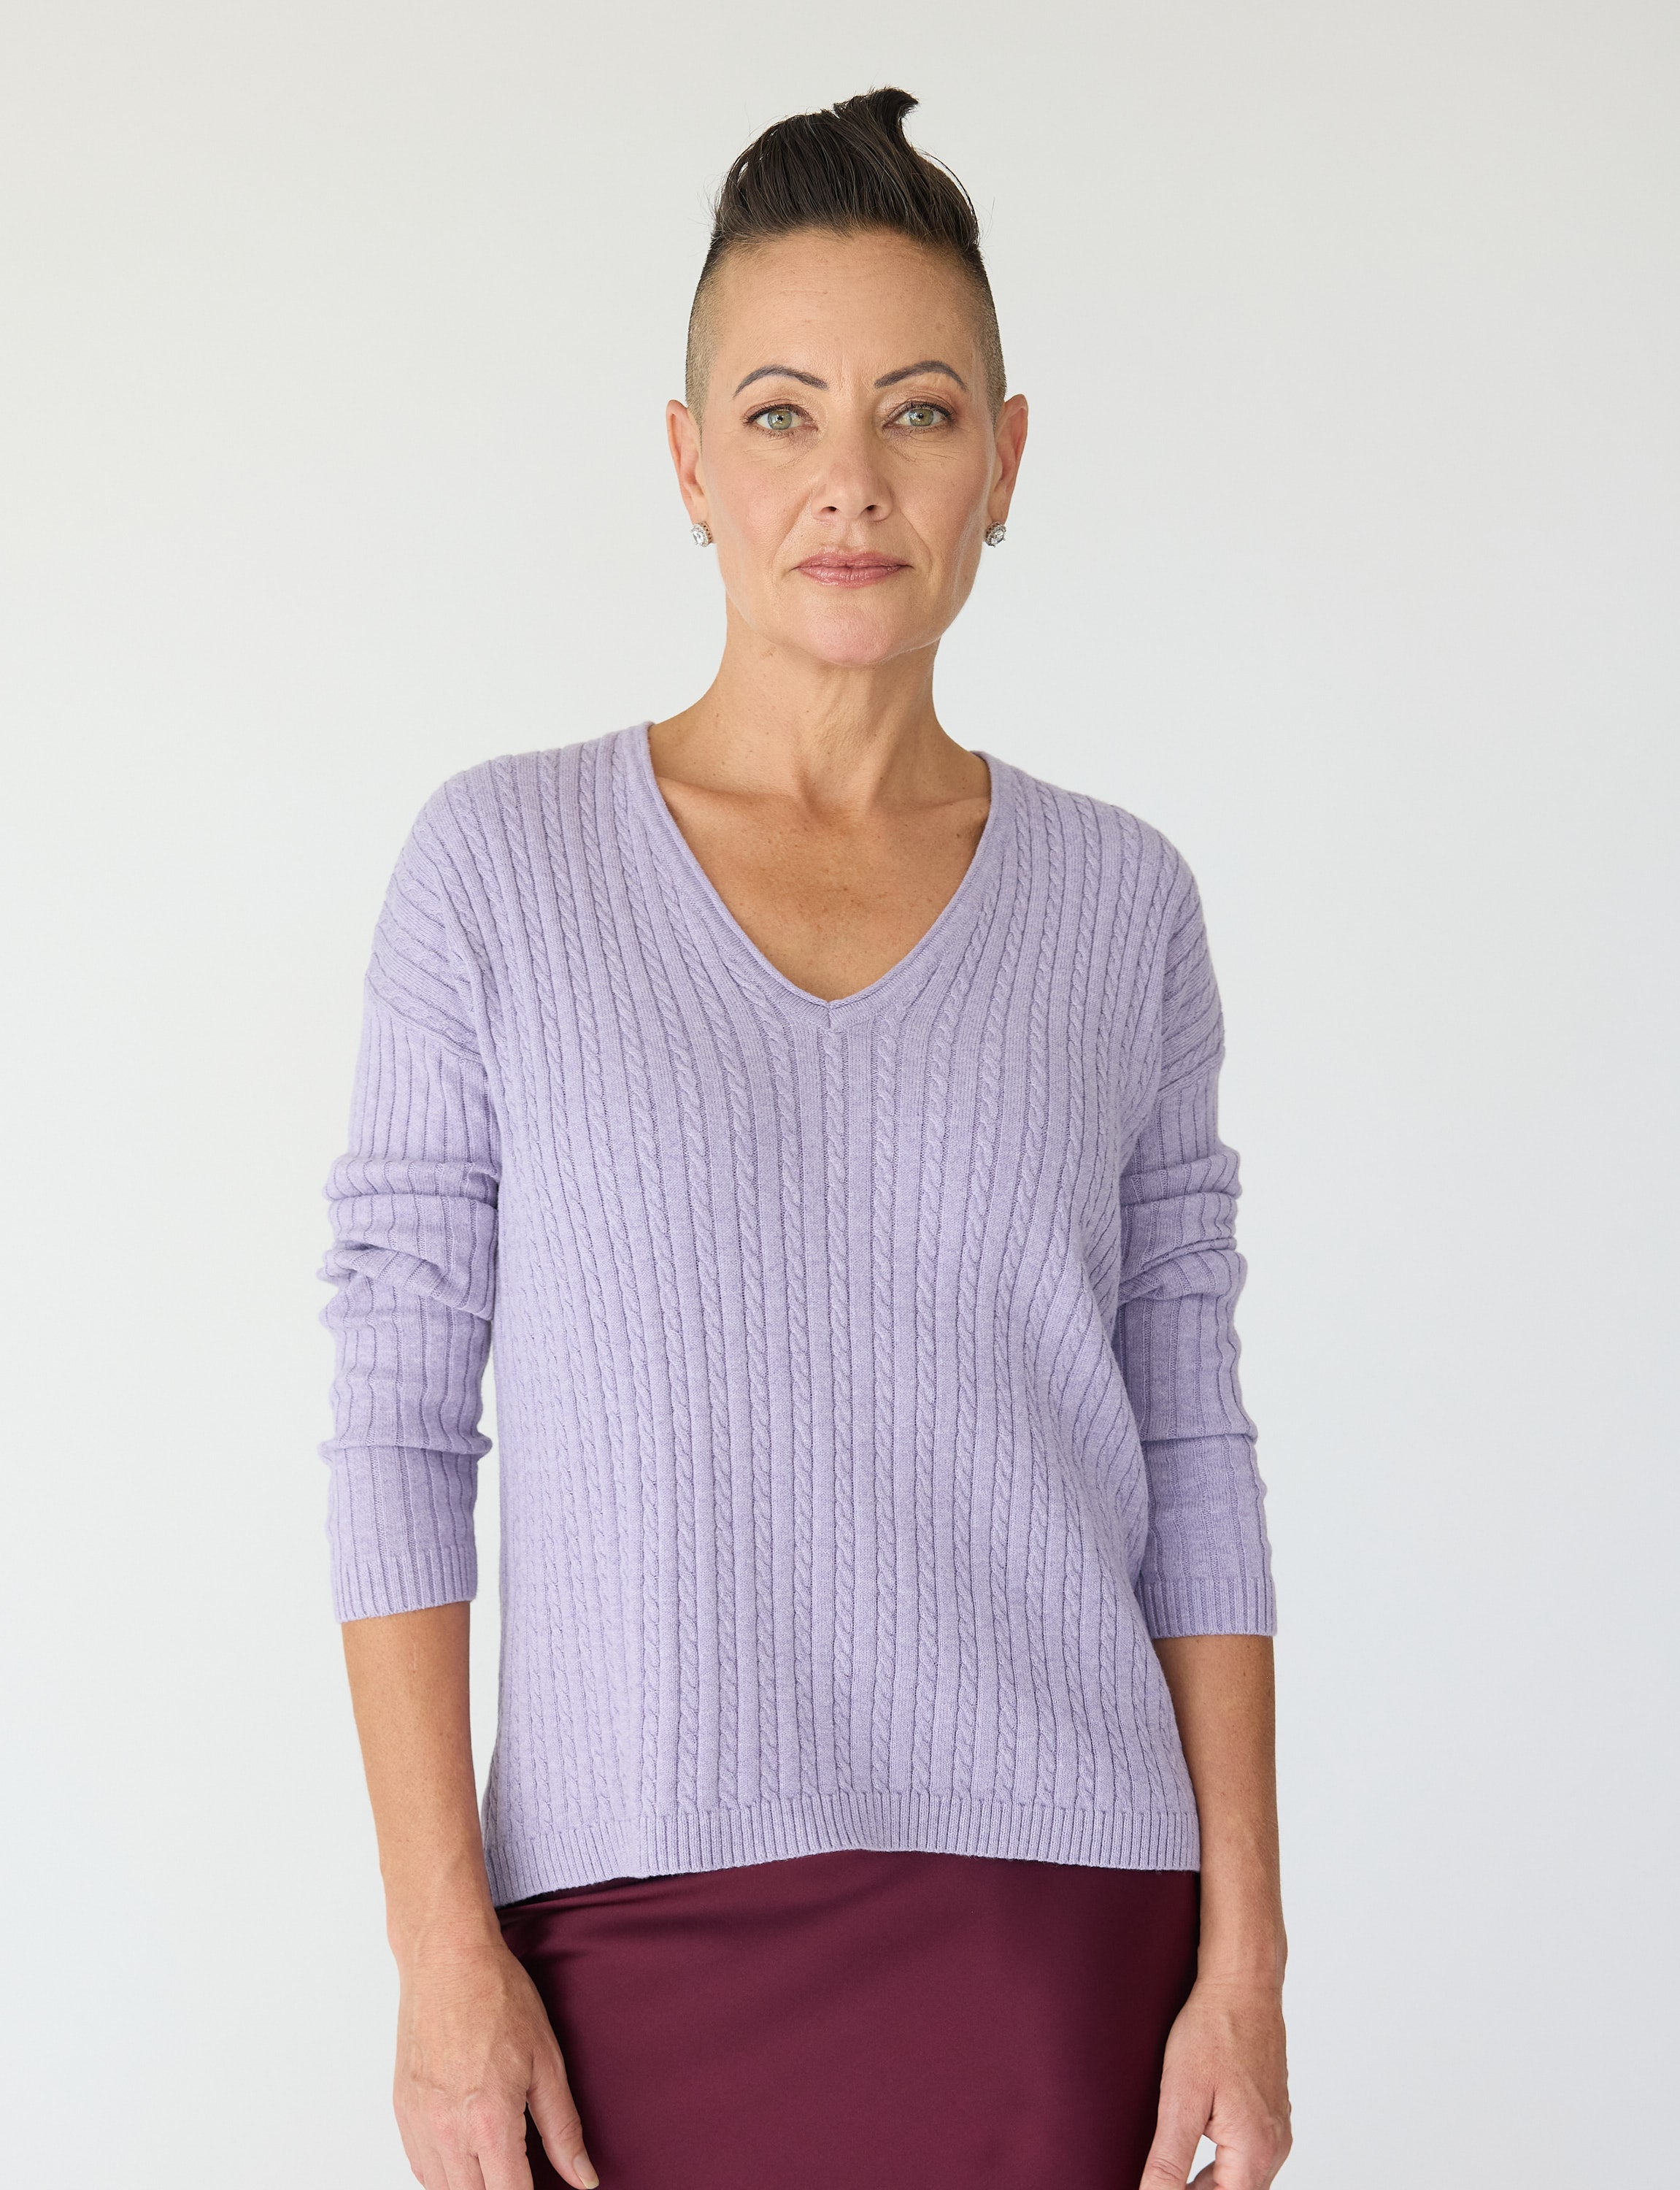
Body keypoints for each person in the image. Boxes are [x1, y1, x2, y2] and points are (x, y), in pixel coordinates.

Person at [317, 85, 1291, 2190]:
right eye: (782, 414)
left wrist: (1248, 1960)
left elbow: (1193, 1442)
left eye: (918, 413)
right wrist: (439, 1956)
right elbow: (396, 1427)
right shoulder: (499, 874)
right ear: (690, 462)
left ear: (1004, 459)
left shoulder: (1122, 908)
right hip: (617, 1939)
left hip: (1059, 1934)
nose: (851, 480)